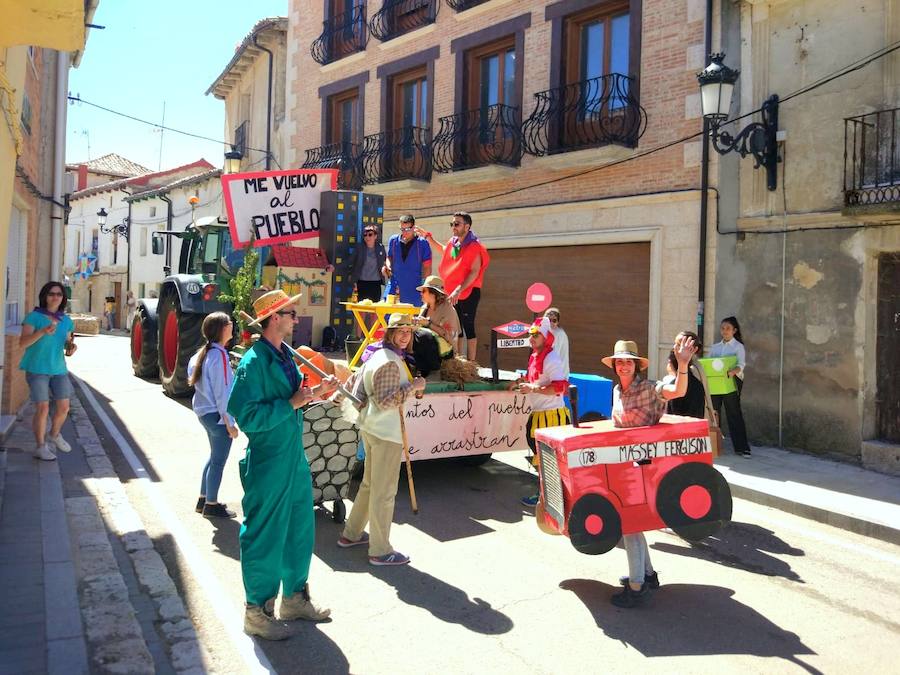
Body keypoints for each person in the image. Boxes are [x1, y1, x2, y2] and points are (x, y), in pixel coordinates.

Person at [226, 289, 339, 641]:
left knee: (299, 527)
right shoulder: (253, 362)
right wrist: (291, 403)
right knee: (264, 535)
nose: (296, 317)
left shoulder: (283, 355)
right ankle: (256, 612)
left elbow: (293, 401)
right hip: (268, 460)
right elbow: (246, 416)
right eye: (291, 312)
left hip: (292, 456)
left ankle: (293, 598)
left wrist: (316, 394)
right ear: (274, 318)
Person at [601, 336, 695, 608]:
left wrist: (683, 363)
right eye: (619, 362)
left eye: (628, 362)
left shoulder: (651, 388)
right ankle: (648, 576)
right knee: (632, 524)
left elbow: (677, 390)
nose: (623, 366)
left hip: (645, 467)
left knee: (630, 525)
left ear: (636, 365)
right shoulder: (617, 390)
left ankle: (637, 586)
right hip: (622, 467)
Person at [339, 313, 427, 566]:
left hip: (372, 428)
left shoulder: (377, 354)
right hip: (385, 432)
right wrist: (415, 386)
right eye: (399, 330)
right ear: (389, 333)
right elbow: (386, 401)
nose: (404, 335)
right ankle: (379, 550)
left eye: (408, 331)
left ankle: (351, 534)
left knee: (369, 485)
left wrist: (409, 388)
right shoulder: (388, 361)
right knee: (384, 492)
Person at [511, 317, 571, 507]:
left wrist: (532, 389)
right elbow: (534, 379)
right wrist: (520, 382)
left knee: (548, 458)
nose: (532, 338)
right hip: (538, 414)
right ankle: (548, 495)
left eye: (536, 335)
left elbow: (560, 388)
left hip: (551, 415)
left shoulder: (551, 358)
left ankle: (548, 497)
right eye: (530, 335)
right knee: (540, 456)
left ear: (545, 336)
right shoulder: (535, 356)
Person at [18, 281, 77, 461]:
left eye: (59, 294)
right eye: (51, 294)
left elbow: (67, 342)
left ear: (63, 298)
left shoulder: (66, 321)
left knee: (64, 407)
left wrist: (71, 347)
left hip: (58, 369)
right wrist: (42, 331)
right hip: (37, 369)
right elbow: (23, 343)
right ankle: (40, 447)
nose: (55, 297)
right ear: (45, 296)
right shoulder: (33, 317)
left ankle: (54, 434)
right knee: (42, 408)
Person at [188, 312, 239, 519]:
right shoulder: (219, 356)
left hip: (204, 413)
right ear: (222, 329)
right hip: (217, 416)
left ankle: (203, 498)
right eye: (229, 323)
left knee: (213, 457)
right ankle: (211, 504)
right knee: (218, 461)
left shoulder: (203, 353)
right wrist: (230, 423)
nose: (232, 325)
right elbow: (223, 393)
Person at [419, 212, 490, 360]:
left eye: (457, 224)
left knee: (468, 327)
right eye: (452, 224)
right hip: (452, 292)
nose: (453, 227)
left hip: (468, 291)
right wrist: (429, 238)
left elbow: (474, 272)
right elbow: (445, 251)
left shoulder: (474, 245)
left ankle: (471, 364)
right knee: (457, 330)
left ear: (467, 226)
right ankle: (457, 360)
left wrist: (459, 289)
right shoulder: (454, 242)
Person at [709, 316, 751, 457]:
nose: (724, 331)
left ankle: (742, 448)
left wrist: (733, 371)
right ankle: (714, 447)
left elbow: (741, 365)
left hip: (731, 383)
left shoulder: (738, 347)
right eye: (722, 328)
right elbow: (709, 363)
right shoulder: (715, 347)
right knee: (714, 415)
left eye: (728, 328)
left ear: (734, 330)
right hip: (715, 383)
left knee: (734, 414)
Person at [664, 331, 713, 421]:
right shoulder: (671, 381)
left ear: (693, 349)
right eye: (675, 344)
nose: (675, 348)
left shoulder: (695, 371)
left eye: (680, 345)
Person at [383, 214, 432, 305]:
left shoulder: (422, 243)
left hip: (414, 287)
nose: (404, 232)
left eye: (407, 229)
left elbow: (427, 267)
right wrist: (388, 265)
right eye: (402, 229)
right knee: (386, 313)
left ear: (413, 227)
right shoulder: (393, 241)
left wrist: (425, 286)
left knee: (413, 316)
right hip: (395, 284)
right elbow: (389, 257)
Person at [348, 224, 387, 337]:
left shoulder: (380, 248)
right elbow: (350, 261)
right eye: (365, 235)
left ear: (375, 236)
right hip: (362, 283)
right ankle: (358, 338)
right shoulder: (360, 248)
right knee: (361, 313)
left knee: (375, 313)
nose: (367, 237)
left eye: (370, 234)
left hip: (376, 283)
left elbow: (385, 262)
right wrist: (334, 266)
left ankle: (372, 338)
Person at [415, 275, 460, 358]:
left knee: (424, 336)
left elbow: (450, 337)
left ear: (433, 293)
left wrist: (429, 324)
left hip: (445, 354)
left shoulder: (448, 310)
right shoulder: (424, 307)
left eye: (424, 291)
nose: (421, 293)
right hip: (428, 350)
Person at [544, 307, 570, 378]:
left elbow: (554, 355)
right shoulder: (546, 332)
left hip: (559, 376)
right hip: (552, 373)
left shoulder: (559, 334)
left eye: (554, 320)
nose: (551, 322)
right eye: (549, 320)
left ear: (557, 322)